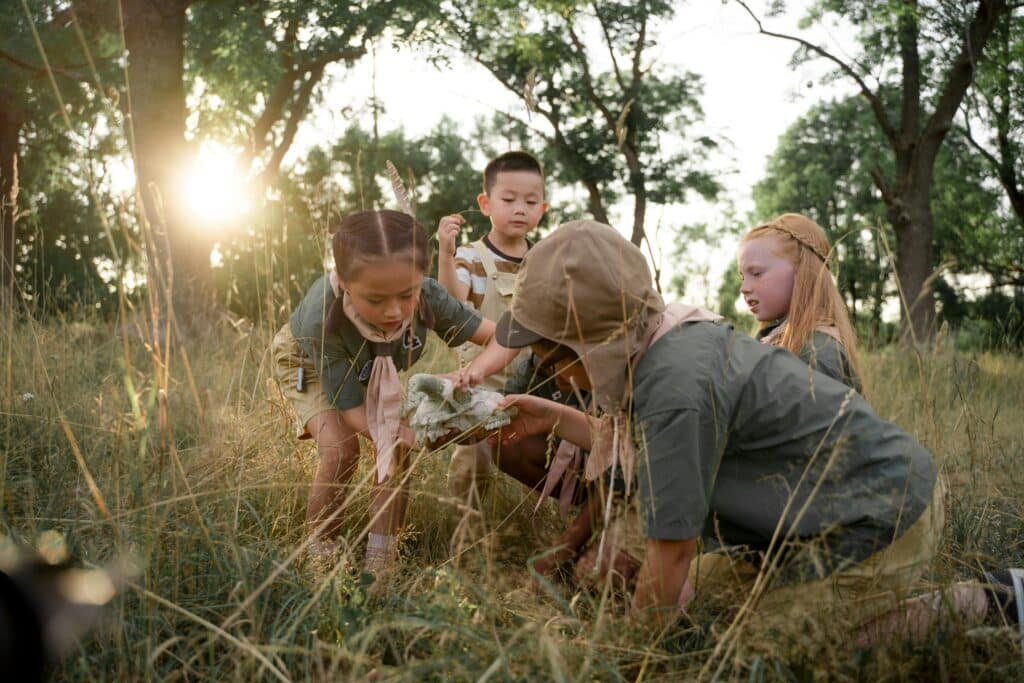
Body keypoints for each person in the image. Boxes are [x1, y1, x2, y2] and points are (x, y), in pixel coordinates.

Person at [485, 219, 1020, 644]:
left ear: (590, 343)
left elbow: (669, 553)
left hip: (880, 513)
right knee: (710, 602)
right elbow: (645, 445)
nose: (556, 376)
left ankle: (992, 600)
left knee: (769, 648)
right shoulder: (661, 338)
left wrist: (628, 655)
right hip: (800, 524)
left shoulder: (675, 388)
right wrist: (553, 415)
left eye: (553, 358)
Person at [270, 210, 518, 571]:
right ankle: (320, 559)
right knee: (341, 449)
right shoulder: (321, 318)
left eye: (407, 294)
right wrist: (410, 433)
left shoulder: (430, 297)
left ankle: (381, 561)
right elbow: (352, 408)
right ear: (343, 282)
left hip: (371, 365)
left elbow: (502, 338)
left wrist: (472, 373)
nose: (394, 311)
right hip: (307, 361)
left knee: (396, 450)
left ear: (422, 278)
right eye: (375, 299)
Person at [436, 151, 549, 504]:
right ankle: (463, 534)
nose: (520, 209)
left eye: (530, 202)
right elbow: (454, 300)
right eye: (509, 199)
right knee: (475, 461)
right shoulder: (472, 256)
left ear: (542, 209)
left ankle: (532, 525)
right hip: (481, 381)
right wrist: (444, 252)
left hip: (533, 382)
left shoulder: (543, 259)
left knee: (543, 453)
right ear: (485, 204)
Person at [738, 213, 863, 392]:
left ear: (803, 272)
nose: (744, 288)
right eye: (742, 277)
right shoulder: (774, 339)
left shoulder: (819, 354)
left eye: (756, 273)